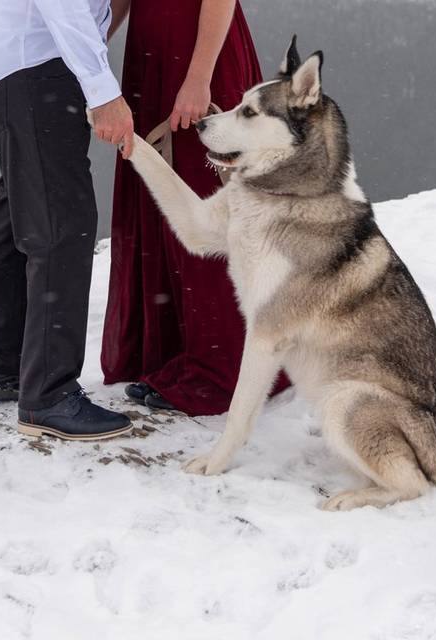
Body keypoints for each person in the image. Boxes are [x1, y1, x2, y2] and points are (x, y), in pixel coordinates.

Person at [0, 0, 137, 441]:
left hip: (15, 69)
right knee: (62, 224)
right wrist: (102, 90)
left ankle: (1, 362)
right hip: (35, 66)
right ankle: (49, 396)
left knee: (19, 205)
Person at [102, 0, 287, 416]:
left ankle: (223, 366)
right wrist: (88, 51)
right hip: (152, 53)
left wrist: (199, 78)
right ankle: (174, 351)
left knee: (205, 193)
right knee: (160, 184)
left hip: (201, 54)